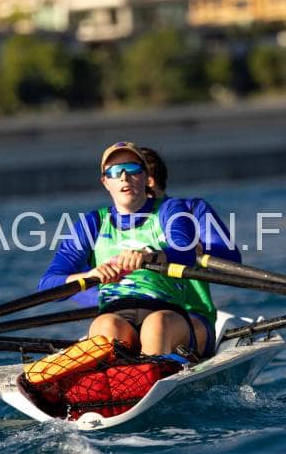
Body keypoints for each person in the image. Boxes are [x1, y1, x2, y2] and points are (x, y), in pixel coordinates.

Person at [39, 142, 206, 356]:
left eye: (132, 169)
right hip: (115, 312)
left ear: (146, 176)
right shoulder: (92, 223)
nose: (124, 177)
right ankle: (128, 371)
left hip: (167, 313)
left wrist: (150, 255)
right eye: (115, 171)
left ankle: (153, 369)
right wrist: (90, 275)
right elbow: (47, 285)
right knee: (106, 327)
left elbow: (186, 253)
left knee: (156, 325)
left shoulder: (170, 210)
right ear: (105, 182)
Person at [140, 146, 242, 357]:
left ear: (148, 181)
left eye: (128, 174)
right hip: (132, 314)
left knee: (159, 325)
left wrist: (195, 249)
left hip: (190, 316)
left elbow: (232, 261)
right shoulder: (111, 223)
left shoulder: (192, 210)